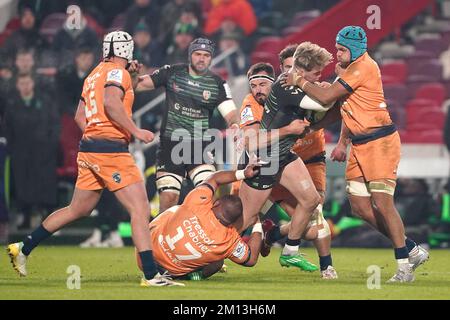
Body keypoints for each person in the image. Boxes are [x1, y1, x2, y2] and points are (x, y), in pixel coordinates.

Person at [6, 31, 175, 287]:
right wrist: (135, 131)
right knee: (139, 209)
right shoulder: (116, 73)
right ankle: (151, 275)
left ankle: (23, 247)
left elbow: (79, 115)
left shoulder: (94, 74)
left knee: (78, 209)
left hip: (89, 149)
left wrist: (95, 135)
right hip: (111, 151)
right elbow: (111, 103)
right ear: (125, 50)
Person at [284, 25, 429, 282]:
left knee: (383, 204)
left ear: (355, 50)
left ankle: (404, 267)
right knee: (361, 208)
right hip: (358, 145)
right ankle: (411, 248)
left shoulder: (364, 67)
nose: (336, 54)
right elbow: (342, 107)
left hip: (380, 143)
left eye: (341, 49)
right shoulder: (345, 69)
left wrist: (300, 81)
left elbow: (328, 95)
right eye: (337, 48)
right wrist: (335, 139)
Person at [236, 43, 337, 272]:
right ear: (302, 71)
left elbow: (322, 106)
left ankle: (290, 250)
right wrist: (336, 87)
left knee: (311, 201)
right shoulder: (286, 86)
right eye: (316, 72)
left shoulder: (296, 84)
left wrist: (319, 87)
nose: (319, 76)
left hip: (284, 156)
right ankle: (205, 252)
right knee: (243, 218)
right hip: (264, 160)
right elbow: (325, 101)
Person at [136, 37, 240, 214]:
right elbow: (139, 85)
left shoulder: (217, 83)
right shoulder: (173, 72)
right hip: (171, 144)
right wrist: (131, 75)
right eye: (198, 54)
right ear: (190, 55)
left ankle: (199, 239)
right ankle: (160, 240)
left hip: (199, 146)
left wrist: (235, 125)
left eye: (206, 55)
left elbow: (230, 112)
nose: (201, 58)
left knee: (206, 195)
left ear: (211, 58)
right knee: (169, 199)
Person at [136, 163, 263, 283]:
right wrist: (257, 223)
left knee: (175, 210)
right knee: (218, 261)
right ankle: (195, 275)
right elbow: (251, 259)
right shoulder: (229, 242)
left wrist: (244, 173)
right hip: (171, 273)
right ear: (233, 221)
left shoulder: (197, 202)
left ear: (217, 203)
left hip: (144, 257)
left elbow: (214, 178)